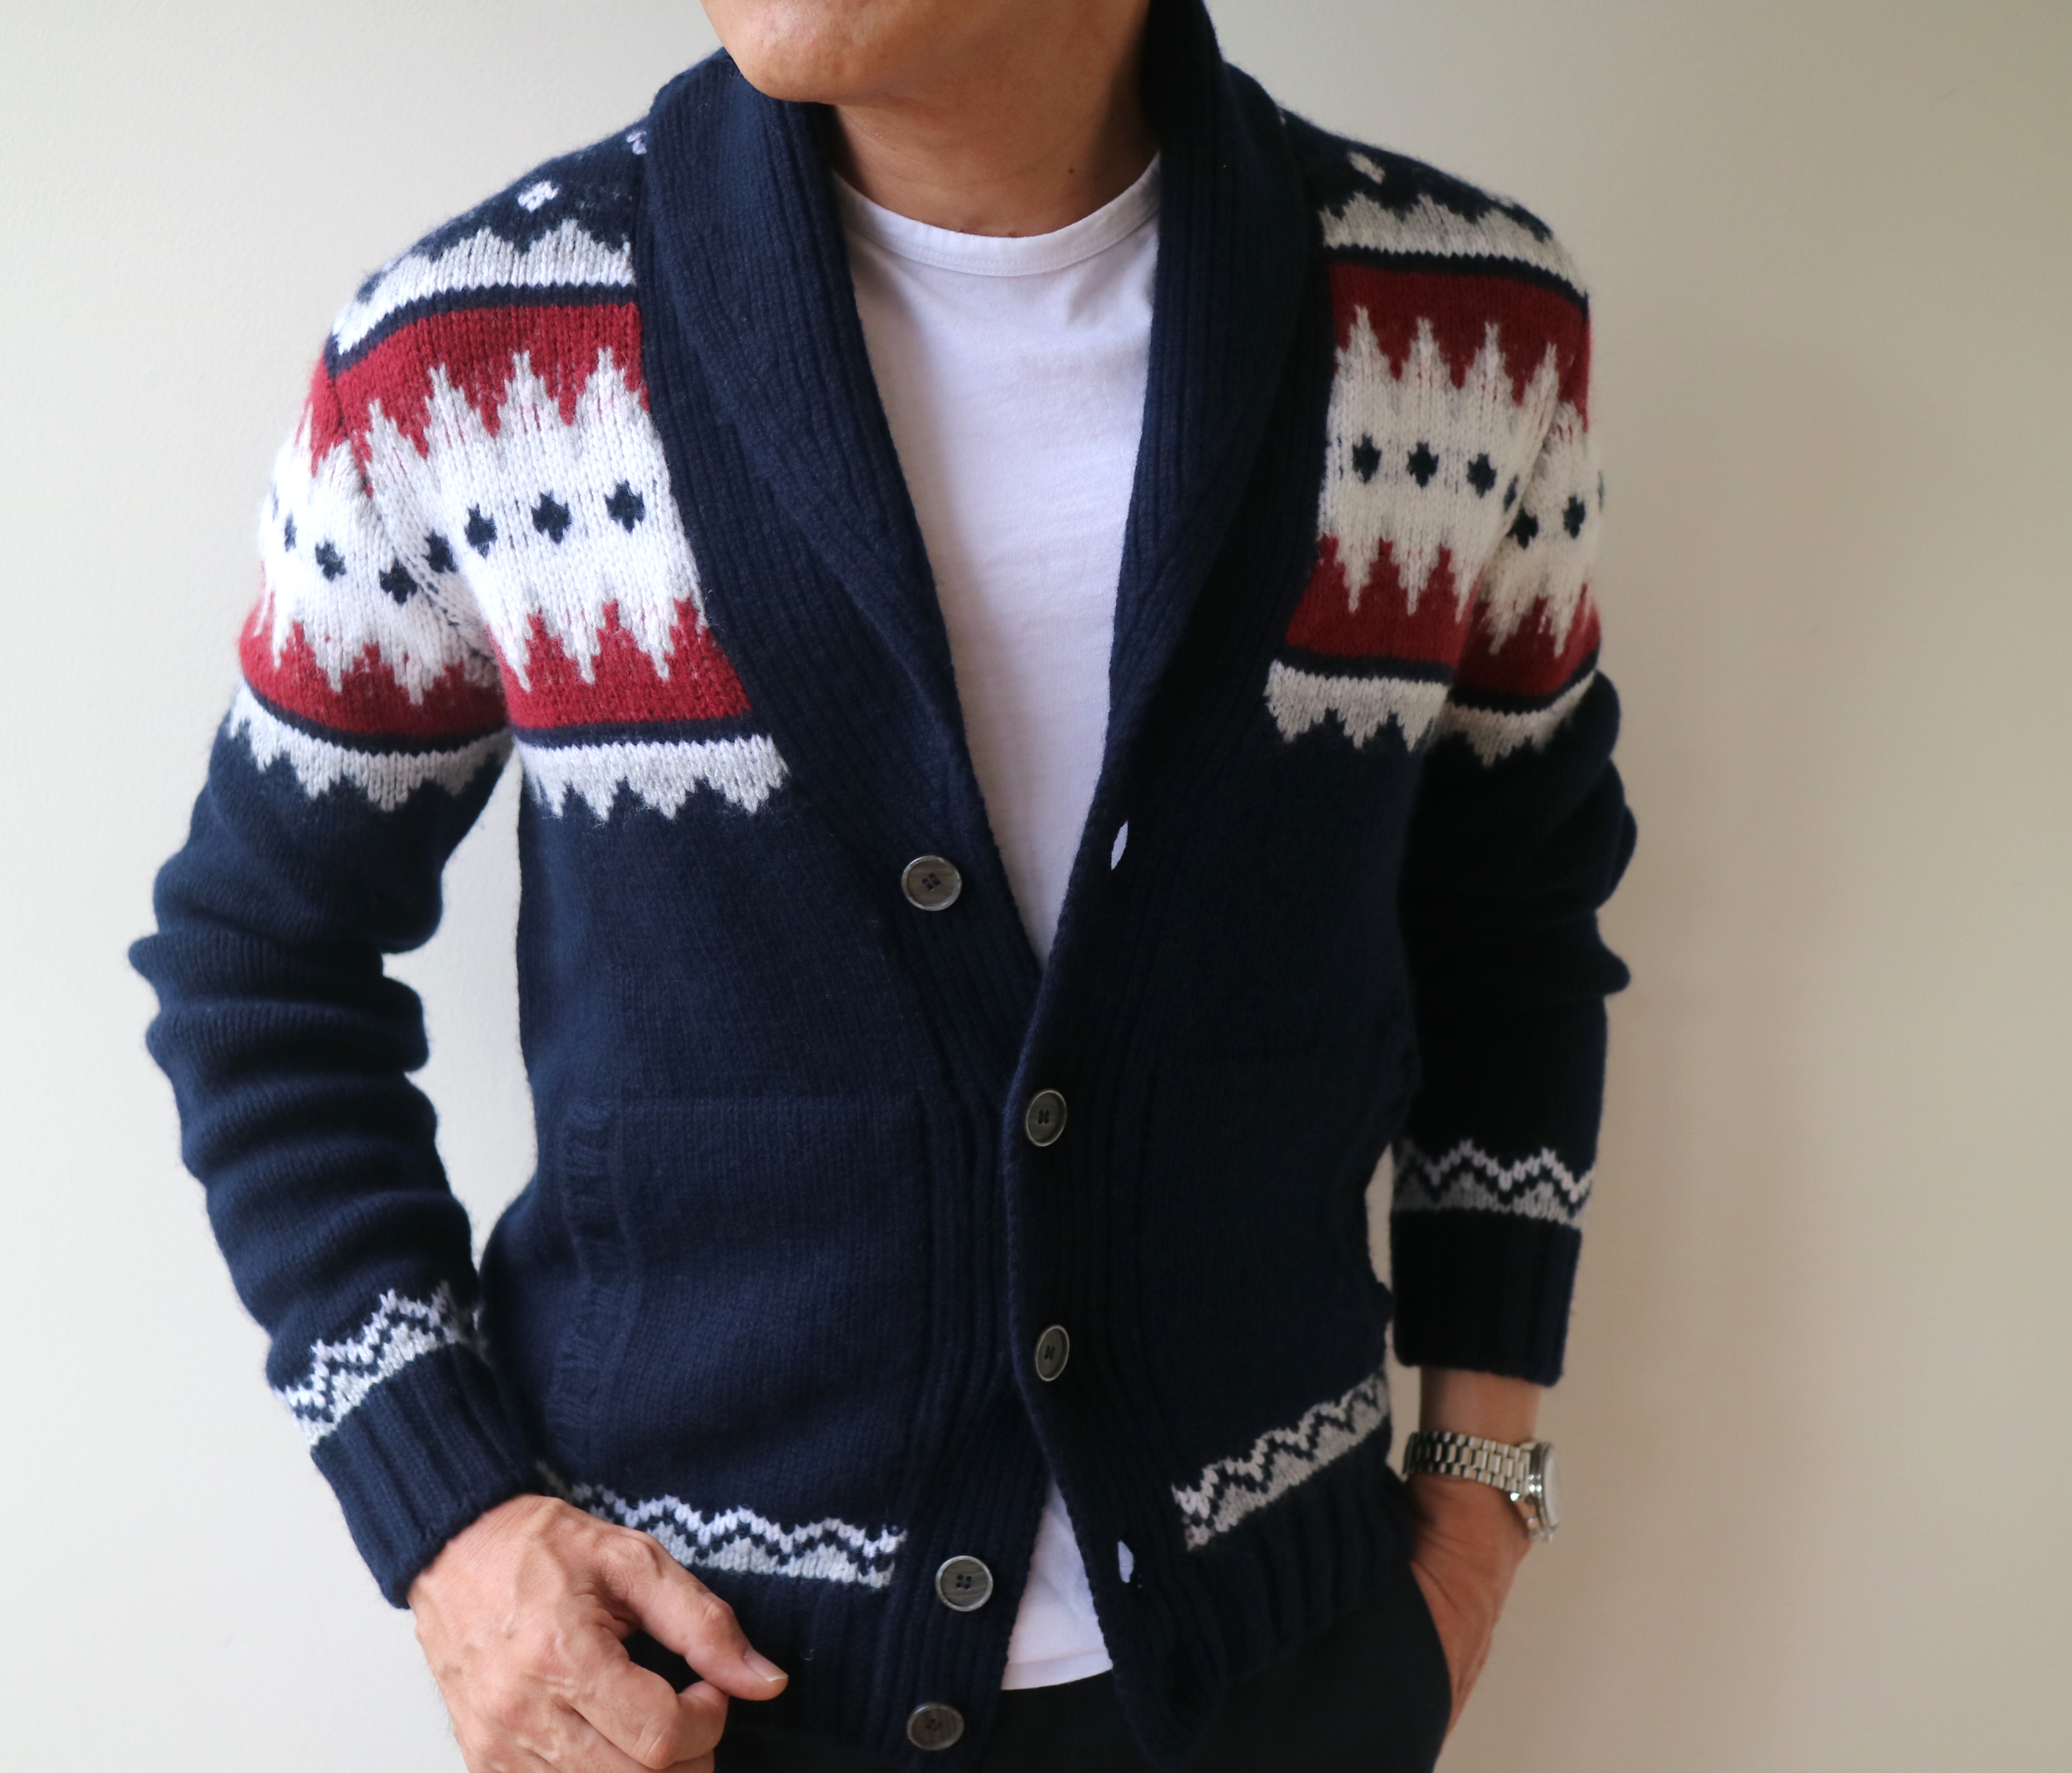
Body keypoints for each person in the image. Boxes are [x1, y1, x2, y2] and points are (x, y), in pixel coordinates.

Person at [132, 0, 1634, 1766]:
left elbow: (1513, 938)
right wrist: (449, 1518)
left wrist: (1481, 1493)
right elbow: (256, 964)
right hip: (692, 1697)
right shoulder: (478, 357)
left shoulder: (1459, 332)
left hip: (1281, 1662)